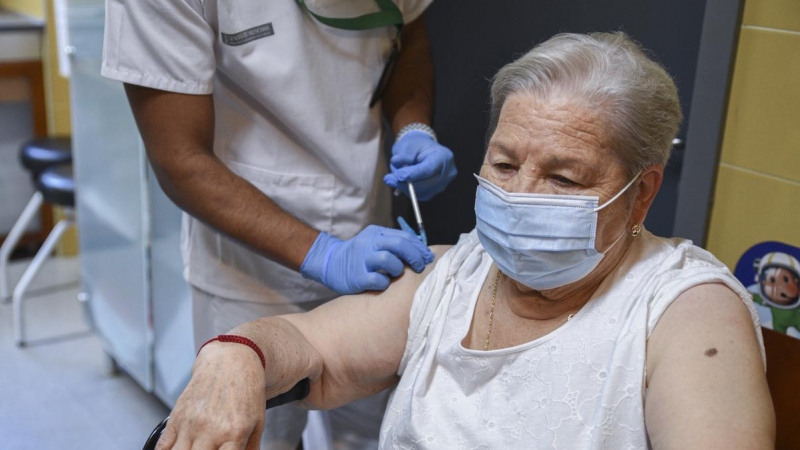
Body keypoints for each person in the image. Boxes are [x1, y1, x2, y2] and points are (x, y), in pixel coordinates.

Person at [152, 32, 776, 450]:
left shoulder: (686, 313)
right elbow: (313, 349)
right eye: (504, 166)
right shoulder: (459, 271)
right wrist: (236, 353)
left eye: (562, 177)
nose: (520, 195)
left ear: (641, 193)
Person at [101, 0, 456, 449]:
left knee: (380, 433)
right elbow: (179, 158)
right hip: (247, 266)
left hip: (372, 241)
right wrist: (322, 253)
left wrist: (413, 127)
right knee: (255, 433)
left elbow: (410, 41)